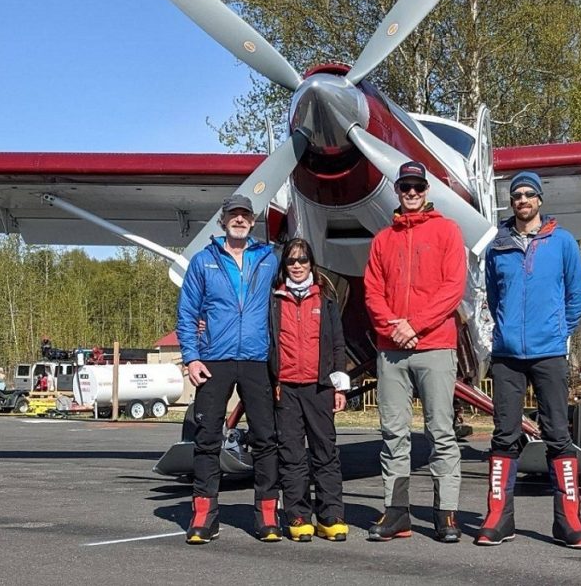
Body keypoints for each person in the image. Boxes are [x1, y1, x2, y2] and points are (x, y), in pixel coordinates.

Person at [477, 170, 581, 550]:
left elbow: (576, 296)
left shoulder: (563, 242)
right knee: (504, 436)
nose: (522, 200)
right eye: (516, 196)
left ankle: (569, 520)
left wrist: (559, 332)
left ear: (540, 200)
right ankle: (498, 517)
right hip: (508, 356)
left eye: (528, 194)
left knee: (558, 435)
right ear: (512, 204)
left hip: (550, 354)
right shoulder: (498, 245)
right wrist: (508, 330)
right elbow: (495, 296)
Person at [363, 161, 467, 543]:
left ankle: (446, 513)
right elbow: (372, 292)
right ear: (397, 190)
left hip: (435, 345)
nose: (411, 193)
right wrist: (394, 326)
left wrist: (415, 325)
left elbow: (453, 287)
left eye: (417, 186)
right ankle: (397, 512)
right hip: (392, 350)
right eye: (405, 186)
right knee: (393, 433)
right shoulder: (382, 240)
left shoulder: (447, 231)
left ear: (426, 191)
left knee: (441, 431)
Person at [176, 194, 280, 545]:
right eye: (233, 215)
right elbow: (187, 313)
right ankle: (204, 515)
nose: (239, 220)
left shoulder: (269, 258)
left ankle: (267, 513)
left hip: (257, 359)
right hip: (214, 360)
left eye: (245, 215)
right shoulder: (203, 261)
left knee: (266, 438)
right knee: (206, 440)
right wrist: (191, 357)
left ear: (253, 221)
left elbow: (295, 288)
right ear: (223, 222)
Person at [269, 238, 351, 543]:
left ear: (311, 263)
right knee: (292, 455)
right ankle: (298, 515)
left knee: (325, 452)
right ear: (285, 266)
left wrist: (339, 387)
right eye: (292, 261)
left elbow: (338, 344)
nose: (298, 265)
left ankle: (331, 515)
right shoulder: (274, 300)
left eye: (303, 260)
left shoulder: (326, 300)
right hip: (287, 387)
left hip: (319, 387)